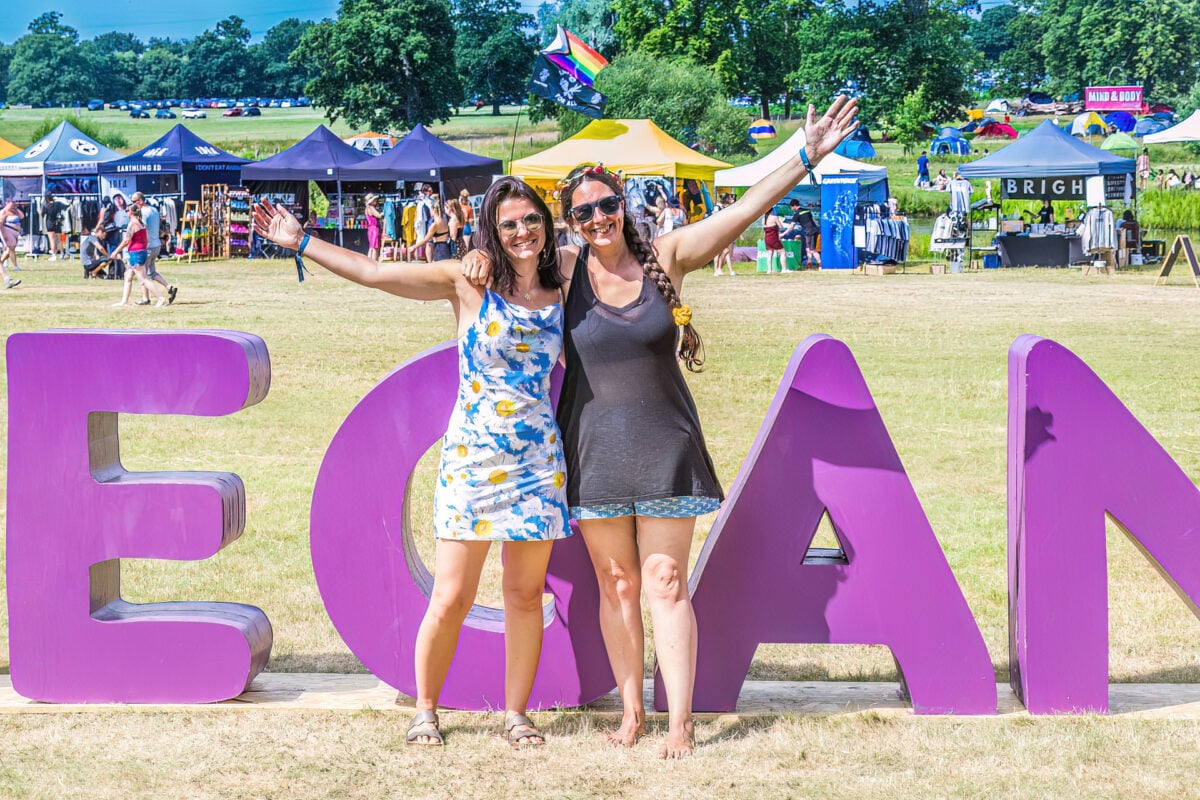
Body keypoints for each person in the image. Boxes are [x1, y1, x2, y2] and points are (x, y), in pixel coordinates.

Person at [462, 95, 859, 758]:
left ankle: (678, 719)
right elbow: (507, 257)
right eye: (583, 211)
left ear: (625, 205)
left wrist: (804, 156)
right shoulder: (562, 271)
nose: (597, 219)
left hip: (665, 449)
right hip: (591, 454)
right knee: (617, 585)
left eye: (606, 205)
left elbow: (741, 212)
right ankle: (629, 710)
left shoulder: (667, 255)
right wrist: (477, 259)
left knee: (665, 582)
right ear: (572, 222)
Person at [252, 176, 571, 750]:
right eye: (508, 224)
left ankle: (517, 714)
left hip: (536, 466)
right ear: (490, 233)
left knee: (525, 596)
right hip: (473, 461)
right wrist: (303, 243)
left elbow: (622, 266)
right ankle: (425, 710)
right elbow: (377, 274)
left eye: (531, 220)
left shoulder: (563, 283)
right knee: (452, 595)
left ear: (546, 224)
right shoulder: (466, 281)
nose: (522, 232)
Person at [110, 204, 168, 307]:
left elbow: (126, 240)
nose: (126, 212)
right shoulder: (142, 223)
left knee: (143, 279)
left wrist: (116, 252)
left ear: (131, 212)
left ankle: (160, 298)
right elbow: (147, 239)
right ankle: (124, 301)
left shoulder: (132, 224)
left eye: (127, 210)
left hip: (136, 253)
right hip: (140, 252)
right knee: (128, 276)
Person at [132, 192, 177, 305]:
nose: (132, 204)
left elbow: (143, 228)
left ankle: (146, 298)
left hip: (148, 245)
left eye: (134, 201)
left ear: (141, 201)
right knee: (151, 272)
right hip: (156, 244)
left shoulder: (143, 213)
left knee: (143, 275)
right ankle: (169, 287)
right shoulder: (154, 210)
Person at [414, 196, 452, 261]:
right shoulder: (444, 221)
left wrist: (413, 247)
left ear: (433, 210)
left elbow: (425, 240)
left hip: (439, 249)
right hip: (446, 247)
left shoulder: (435, 225)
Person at [711, 193, 736, 276]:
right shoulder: (717, 207)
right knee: (719, 251)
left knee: (725, 250)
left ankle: (718, 268)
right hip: (718, 230)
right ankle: (716, 269)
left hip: (722, 230)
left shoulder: (722, 207)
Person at [1, 198, 24, 284]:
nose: (13, 204)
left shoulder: (15, 211)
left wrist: (16, 208)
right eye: (11, 203)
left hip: (15, 232)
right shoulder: (4, 212)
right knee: (11, 249)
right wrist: (4, 236)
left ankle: (2, 264)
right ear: (6, 203)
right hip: (8, 231)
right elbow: (1, 224)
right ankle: (15, 266)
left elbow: (22, 216)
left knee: (9, 250)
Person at [761, 205, 790, 274]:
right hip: (774, 237)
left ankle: (769, 270)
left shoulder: (763, 219)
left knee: (769, 254)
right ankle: (784, 269)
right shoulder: (774, 217)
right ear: (772, 211)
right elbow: (781, 226)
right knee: (782, 252)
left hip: (767, 237)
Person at [44, 194, 69, 261]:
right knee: (59, 240)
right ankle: (62, 254)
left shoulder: (47, 206)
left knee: (52, 240)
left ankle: (54, 255)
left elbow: (42, 213)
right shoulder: (58, 204)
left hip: (50, 223)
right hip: (58, 222)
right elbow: (66, 207)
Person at [364, 193, 384, 261]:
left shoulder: (367, 208)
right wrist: (383, 212)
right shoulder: (371, 208)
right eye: (374, 200)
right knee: (375, 247)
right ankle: (374, 262)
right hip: (375, 229)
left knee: (371, 247)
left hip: (370, 229)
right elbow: (379, 215)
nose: (376, 201)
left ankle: (369, 262)